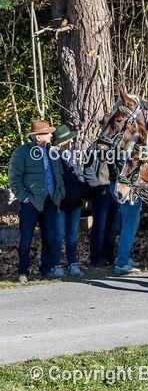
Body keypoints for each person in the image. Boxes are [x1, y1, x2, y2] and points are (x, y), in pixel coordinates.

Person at [9, 120, 64, 282]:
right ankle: (23, 272)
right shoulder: (21, 153)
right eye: (48, 133)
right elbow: (14, 178)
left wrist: (59, 194)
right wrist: (24, 197)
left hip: (49, 201)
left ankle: (46, 269)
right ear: (38, 136)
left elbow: (59, 174)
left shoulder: (53, 151)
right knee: (26, 239)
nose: (50, 135)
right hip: (30, 203)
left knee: (50, 237)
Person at [52, 125, 86, 278]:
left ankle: (73, 264)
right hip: (60, 203)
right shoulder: (54, 157)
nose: (72, 141)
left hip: (75, 202)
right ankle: (57, 265)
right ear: (62, 141)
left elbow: (78, 174)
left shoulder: (73, 155)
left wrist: (82, 188)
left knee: (72, 236)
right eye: (69, 139)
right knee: (58, 236)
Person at [82, 141, 119, 267]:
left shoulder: (118, 147)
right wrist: (98, 189)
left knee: (113, 226)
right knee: (100, 227)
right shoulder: (94, 148)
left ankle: (109, 256)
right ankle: (96, 258)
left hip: (116, 191)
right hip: (101, 192)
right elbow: (88, 172)